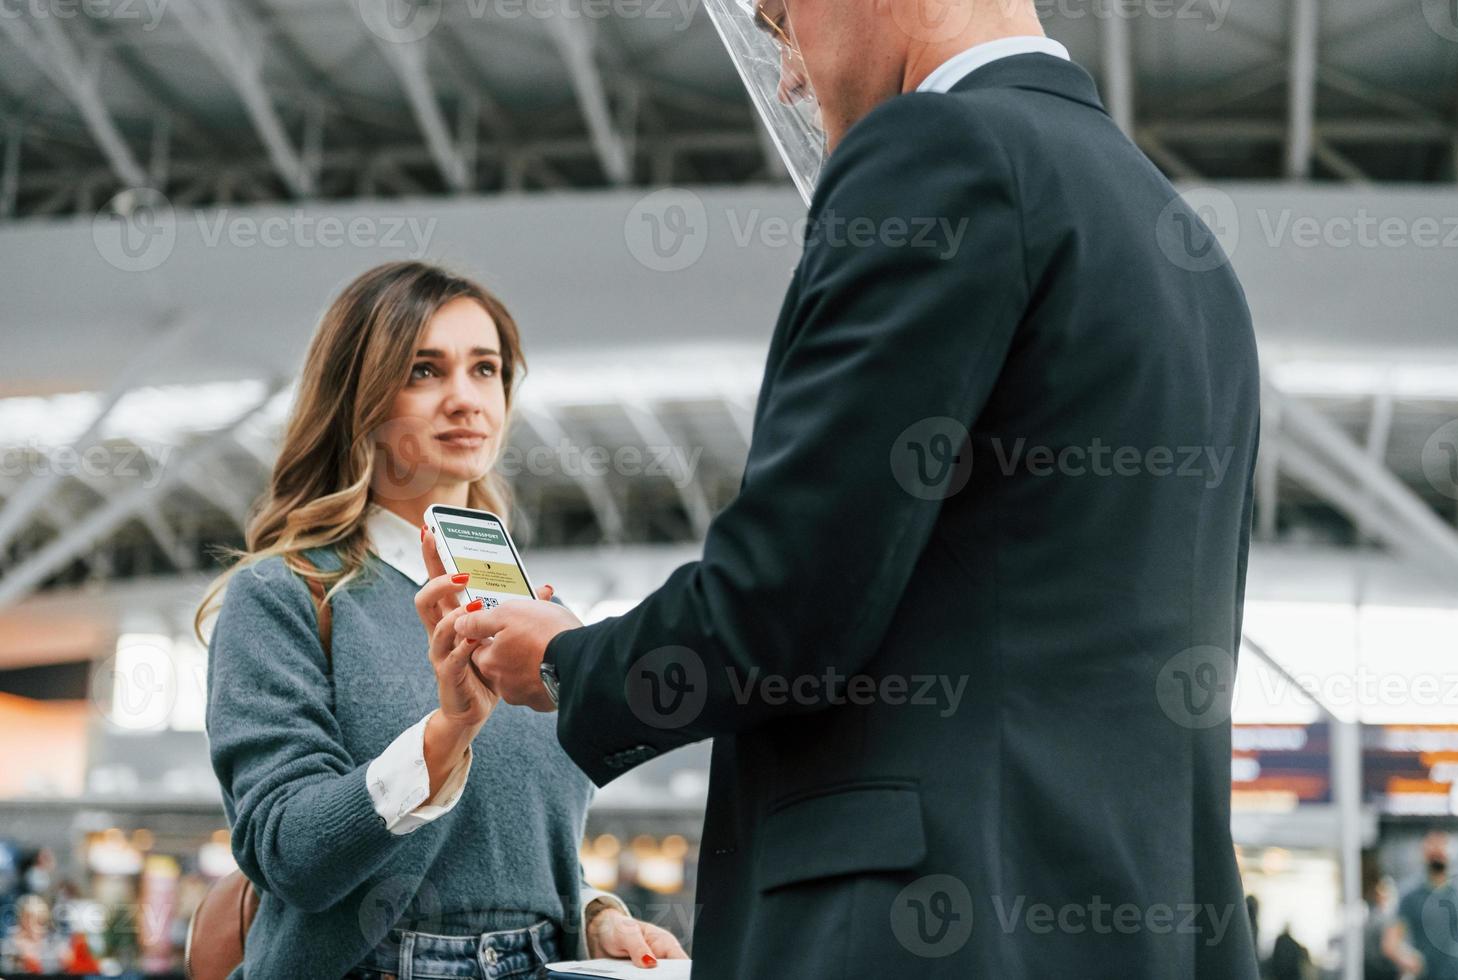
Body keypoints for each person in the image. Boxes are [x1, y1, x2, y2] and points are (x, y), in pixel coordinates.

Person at [458, 0, 1261, 976]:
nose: (788, 73)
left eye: (778, 18)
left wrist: (568, 663)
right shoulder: (1178, 238)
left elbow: (790, 591)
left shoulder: (940, 148)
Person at [195, 262, 687, 979]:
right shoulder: (286, 593)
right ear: (361, 396)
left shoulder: (528, 611)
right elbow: (286, 856)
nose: (465, 398)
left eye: (485, 370)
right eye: (425, 371)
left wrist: (593, 915)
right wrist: (445, 733)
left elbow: (503, 844)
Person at [1383, 831, 1458, 980]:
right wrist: (1407, 959)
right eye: (1431, 848)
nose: (1436, 852)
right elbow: (1390, 943)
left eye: (1441, 847)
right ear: (1423, 854)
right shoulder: (1410, 895)